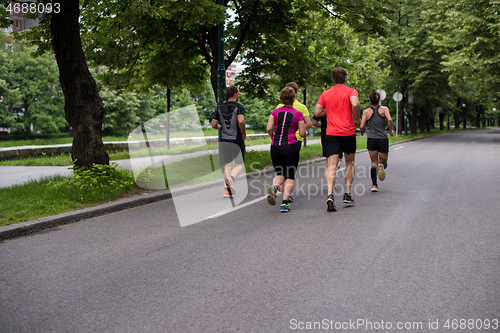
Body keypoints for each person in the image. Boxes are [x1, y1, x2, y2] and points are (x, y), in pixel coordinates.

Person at [314, 66, 361, 211]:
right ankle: (347, 194)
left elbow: (317, 111)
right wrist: (357, 118)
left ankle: (330, 194)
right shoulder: (351, 91)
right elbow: (355, 103)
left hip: (331, 133)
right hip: (348, 132)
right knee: (350, 163)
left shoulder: (326, 93)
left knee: (332, 164)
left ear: (332, 78)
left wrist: (331, 109)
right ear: (345, 78)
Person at [266, 86, 306, 213]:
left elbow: (269, 128)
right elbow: (303, 133)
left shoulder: (274, 112)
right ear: (294, 98)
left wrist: (274, 137)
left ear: (281, 98)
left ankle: (274, 186)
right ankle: (284, 204)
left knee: (279, 174)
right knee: (290, 176)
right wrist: (295, 132)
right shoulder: (298, 114)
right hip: (291, 145)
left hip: (275, 145)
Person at [211, 85, 246, 198]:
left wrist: (221, 128)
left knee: (228, 165)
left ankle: (227, 191)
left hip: (224, 140)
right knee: (239, 165)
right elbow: (241, 121)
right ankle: (230, 179)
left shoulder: (219, 107)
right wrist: (244, 133)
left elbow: (213, 124)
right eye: (238, 93)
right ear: (235, 94)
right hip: (236, 139)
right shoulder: (239, 106)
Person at [360, 89, 394, 192]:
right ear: (379, 100)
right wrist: (391, 130)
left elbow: (362, 125)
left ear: (369, 100)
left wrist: (362, 131)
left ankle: (374, 186)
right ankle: (381, 166)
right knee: (384, 162)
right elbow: (390, 120)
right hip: (382, 139)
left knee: (373, 162)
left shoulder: (366, 112)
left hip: (371, 139)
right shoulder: (384, 109)